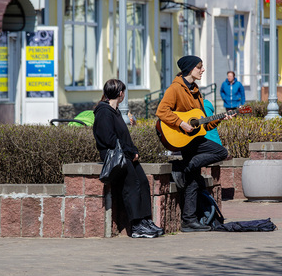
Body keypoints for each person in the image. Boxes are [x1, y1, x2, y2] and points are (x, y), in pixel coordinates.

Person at [156, 56, 232, 232]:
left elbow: (204, 124)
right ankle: (185, 166)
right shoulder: (175, 88)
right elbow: (162, 111)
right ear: (190, 69)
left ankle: (188, 220)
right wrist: (181, 123)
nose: (202, 70)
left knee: (193, 180)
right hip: (181, 137)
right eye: (200, 67)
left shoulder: (196, 91)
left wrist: (220, 118)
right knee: (221, 152)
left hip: (194, 138)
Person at [93, 79, 164, 238]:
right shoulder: (103, 112)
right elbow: (109, 139)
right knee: (132, 185)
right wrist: (130, 153)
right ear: (120, 93)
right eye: (123, 92)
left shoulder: (115, 111)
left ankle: (146, 221)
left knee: (143, 183)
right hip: (115, 157)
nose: (124, 95)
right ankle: (137, 226)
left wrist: (134, 151)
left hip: (125, 154)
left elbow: (124, 138)